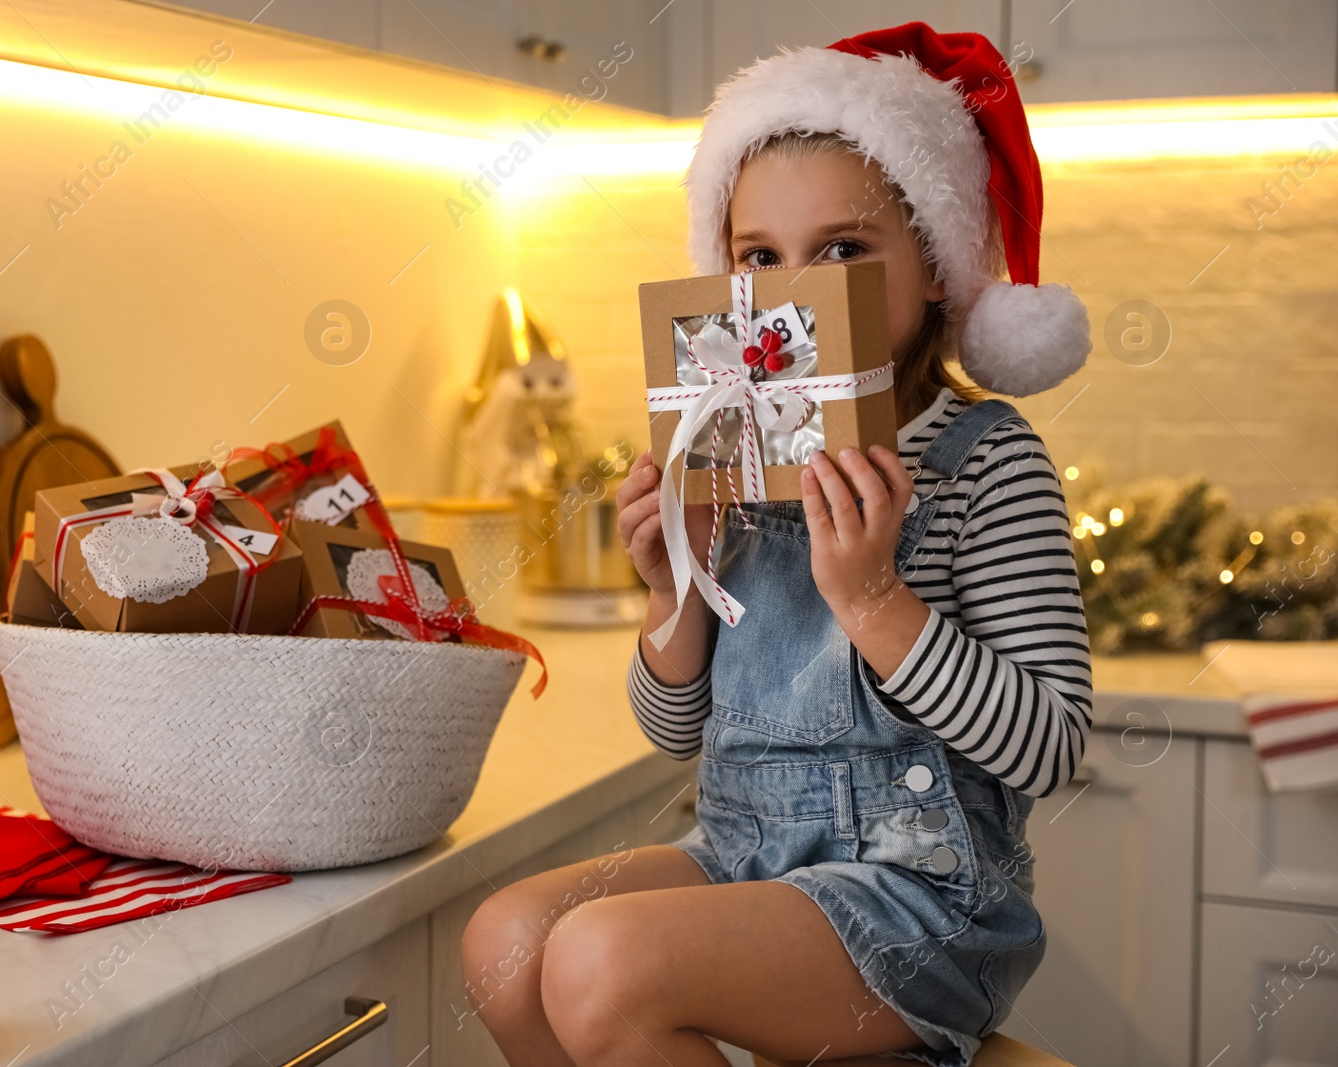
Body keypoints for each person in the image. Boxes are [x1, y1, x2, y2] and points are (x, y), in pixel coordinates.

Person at [461, 22, 1094, 1067]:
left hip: (921, 900)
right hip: (747, 857)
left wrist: (874, 599)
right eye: (761, 257)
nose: (798, 287)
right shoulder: (730, 451)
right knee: (505, 943)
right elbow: (675, 728)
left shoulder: (987, 461)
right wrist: (674, 586)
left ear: (935, 265)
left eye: (843, 249)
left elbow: (1049, 743)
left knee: (599, 960)